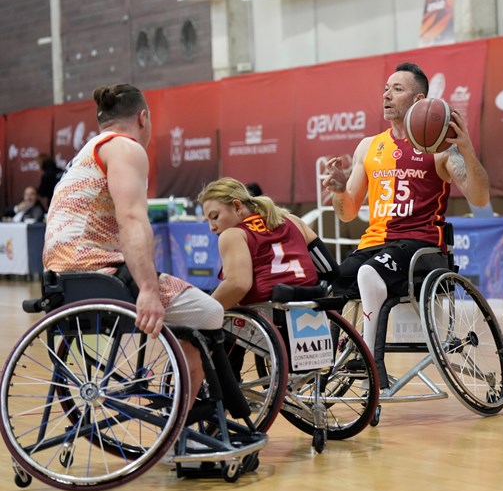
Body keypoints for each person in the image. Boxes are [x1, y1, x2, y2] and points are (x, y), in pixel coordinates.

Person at [42, 83, 225, 405]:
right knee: (210, 312)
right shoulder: (126, 148)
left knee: (187, 312)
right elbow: (132, 219)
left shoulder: (88, 152)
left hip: (63, 275)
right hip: (95, 271)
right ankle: (185, 416)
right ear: (143, 118)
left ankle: (181, 396)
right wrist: (149, 290)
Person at [322, 62, 490, 388]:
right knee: (334, 279)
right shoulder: (368, 146)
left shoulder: (440, 150)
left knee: (369, 273)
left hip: (420, 248)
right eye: (386, 89)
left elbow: (480, 197)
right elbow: (346, 213)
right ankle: (321, 363)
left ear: (419, 100)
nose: (386, 95)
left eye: (397, 89)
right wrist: (341, 191)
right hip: (374, 245)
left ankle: (370, 362)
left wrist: (467, 149)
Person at [197, 177, 339, 310]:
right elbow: (329, 269)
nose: (211, 227)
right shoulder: (293, 220)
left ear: (237, 206)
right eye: (207, 220)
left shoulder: (233, 235)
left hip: (268, 311)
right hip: (311, 304)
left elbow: (237, 285)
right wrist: (304, 290)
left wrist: (202, 315)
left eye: (214, 217)